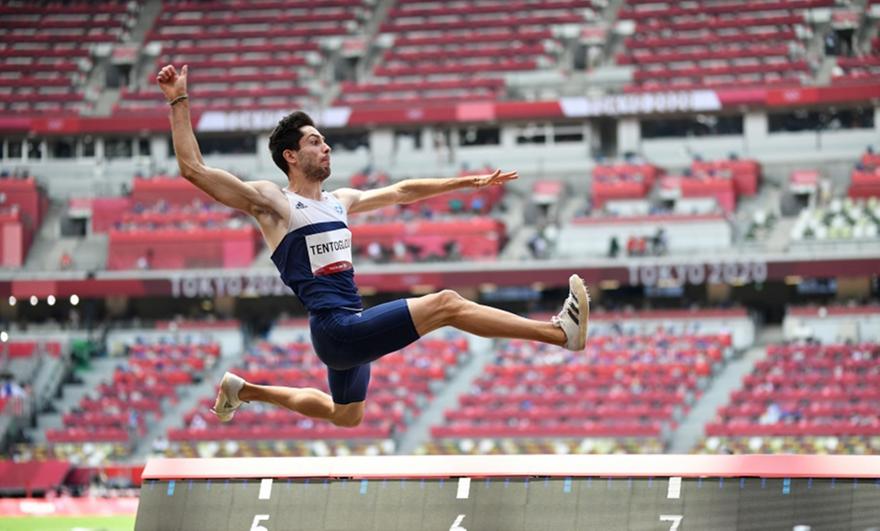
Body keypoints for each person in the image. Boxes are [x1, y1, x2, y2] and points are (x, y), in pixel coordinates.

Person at [156, 64, 590, 429]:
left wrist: (465, 181)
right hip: (336, 329)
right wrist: (179, 100)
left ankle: (244, 389)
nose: (325, 147)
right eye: (314, 142)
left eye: (325, 141)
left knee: (346, 415)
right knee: (447, 304)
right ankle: (557, 333)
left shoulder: (338, 201)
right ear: (290, 156)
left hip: (347, 327)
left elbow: (402, 191)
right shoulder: (274, 203)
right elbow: (194, 169)